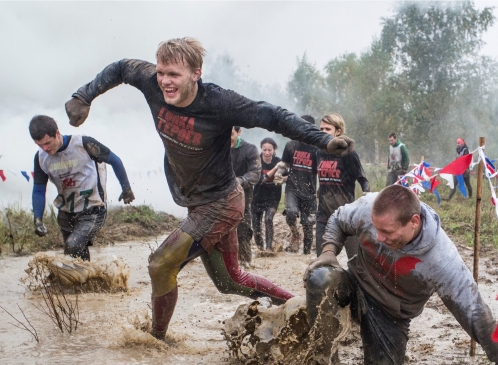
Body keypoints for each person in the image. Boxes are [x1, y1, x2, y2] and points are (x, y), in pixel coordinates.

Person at [64, 37, 355, 340]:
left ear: (196, 74)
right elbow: (121, 68)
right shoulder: (150, 81)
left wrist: (323, 140)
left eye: (174, 74)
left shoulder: (220, 103)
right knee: (230, 281)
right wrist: (84, 96)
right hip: (197, 202)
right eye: (161, 72)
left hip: (222, 203)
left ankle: (155, 341)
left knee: (161, 264)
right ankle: (305, 310)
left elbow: (273, 116)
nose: (165, 81)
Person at [303, 185, 498, 365]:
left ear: (414, 222)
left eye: (387, 232)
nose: (379, 237)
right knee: (321, 278)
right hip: (356, 284)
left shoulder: (442, 260)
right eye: (376, 229)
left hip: (389, 315)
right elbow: (338, 218)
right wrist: (329, 251)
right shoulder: (366, 208)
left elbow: (475, 314)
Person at [29, 115, 134, 262]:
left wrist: (126, 188)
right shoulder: (41, 158)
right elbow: (39, 190)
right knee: (74, 257)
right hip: (66, 212)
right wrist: (38, 220)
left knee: (73, 245)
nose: (45, 148)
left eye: (47, 143)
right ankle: (90, 276)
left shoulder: (84, 144)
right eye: (40, 145)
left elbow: (114, 160)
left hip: (92, 208)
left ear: (57, 133)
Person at [315, 113, 369, 257]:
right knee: (321, 258)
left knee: (355, 258)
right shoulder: (319, 152)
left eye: (328, 129)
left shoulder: (348, 153)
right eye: (321, 129)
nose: (323, 132)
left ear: (338, 131)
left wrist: (366, 194)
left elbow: (362, 178)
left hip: (346, 214)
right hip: (323, 214)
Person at [277, 115, 319, 254]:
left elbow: (322, 169)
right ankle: (295, 233)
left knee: (308, 225)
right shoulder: (291, 145)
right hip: (292, 187)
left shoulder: (316, 148)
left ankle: (306, 254)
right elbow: (285, 164)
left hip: (309, 190)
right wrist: (279, 173)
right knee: (291, 212)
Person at [230, 126, 260, 267]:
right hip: (218, 197)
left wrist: (240, 181)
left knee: (243, 230)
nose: (227, 138)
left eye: (231, 134)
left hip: (242, 197)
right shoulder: (216, 148)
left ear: (239, 132)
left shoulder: (250, 149)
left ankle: (245, 261)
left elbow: (255, 174)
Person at [252, 138, 282, 251]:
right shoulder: (256, 161)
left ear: (274, 150)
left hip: (273, 197)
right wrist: (275, 169)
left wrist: (281, 178)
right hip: (257, 197)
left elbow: (287, 175)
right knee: (256, 226)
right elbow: (260, 179)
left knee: (268, 219)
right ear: (261, 149)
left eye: (270, 150)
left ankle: (269, 248)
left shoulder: (278, 161)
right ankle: (260, 249)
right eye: (265, 150)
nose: (267, 153)